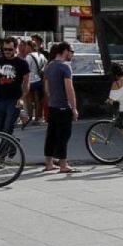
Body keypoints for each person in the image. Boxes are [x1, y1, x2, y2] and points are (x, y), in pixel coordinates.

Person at [44, 42, 79, 173]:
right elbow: (69, 89)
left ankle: (49, 163)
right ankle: (63, 165)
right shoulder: (65, 67)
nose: (72, 54)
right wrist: (74, 108)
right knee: (63, 136)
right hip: (64, 106)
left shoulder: (49, 66)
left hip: (53, 105)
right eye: (72, 51)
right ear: (65, 51)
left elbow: (47, 89)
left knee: (51, 135)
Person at [0, 37, 30, 164]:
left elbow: (27, 83)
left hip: (14, 101)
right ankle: (13, 143)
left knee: (7, 129)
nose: (7, 52)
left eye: (10, 49)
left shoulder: (22, 63)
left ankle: (0, 158)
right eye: (4, 49)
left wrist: (22, 98)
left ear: (15, 48)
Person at [21, 40, 47, 126]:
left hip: (31, 81)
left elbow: (25, 69)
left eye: (27, 46)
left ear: (30, 47)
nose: (25, 48)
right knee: (37, 101)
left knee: (28, 100)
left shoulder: (29, 56)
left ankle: (30, 116)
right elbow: (46, 66)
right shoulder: (42, 55)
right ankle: (37, 118)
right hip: (39, 81)